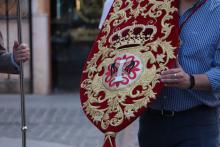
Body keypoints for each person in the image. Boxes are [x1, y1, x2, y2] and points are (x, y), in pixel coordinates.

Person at [138, 0, 220, 147]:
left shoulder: (217, 10)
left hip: (197, 123)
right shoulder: (151, 6)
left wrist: (190, 81)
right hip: (151, 121)